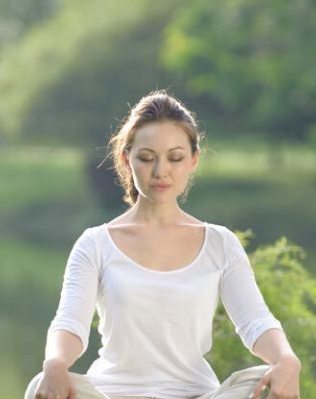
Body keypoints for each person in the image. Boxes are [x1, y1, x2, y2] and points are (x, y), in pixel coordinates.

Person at [25, 90, 302, 399]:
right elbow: (70, 323)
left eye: (175, 157)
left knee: (262, 383)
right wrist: (55, 363)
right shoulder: (96, 244)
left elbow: (255, 322)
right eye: (146, 158)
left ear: (194, 159)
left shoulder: (220, 244)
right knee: (42, 384)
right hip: (113, 393)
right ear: (126, 158)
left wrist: (286, 358)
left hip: (197, 395)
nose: (161, 172)